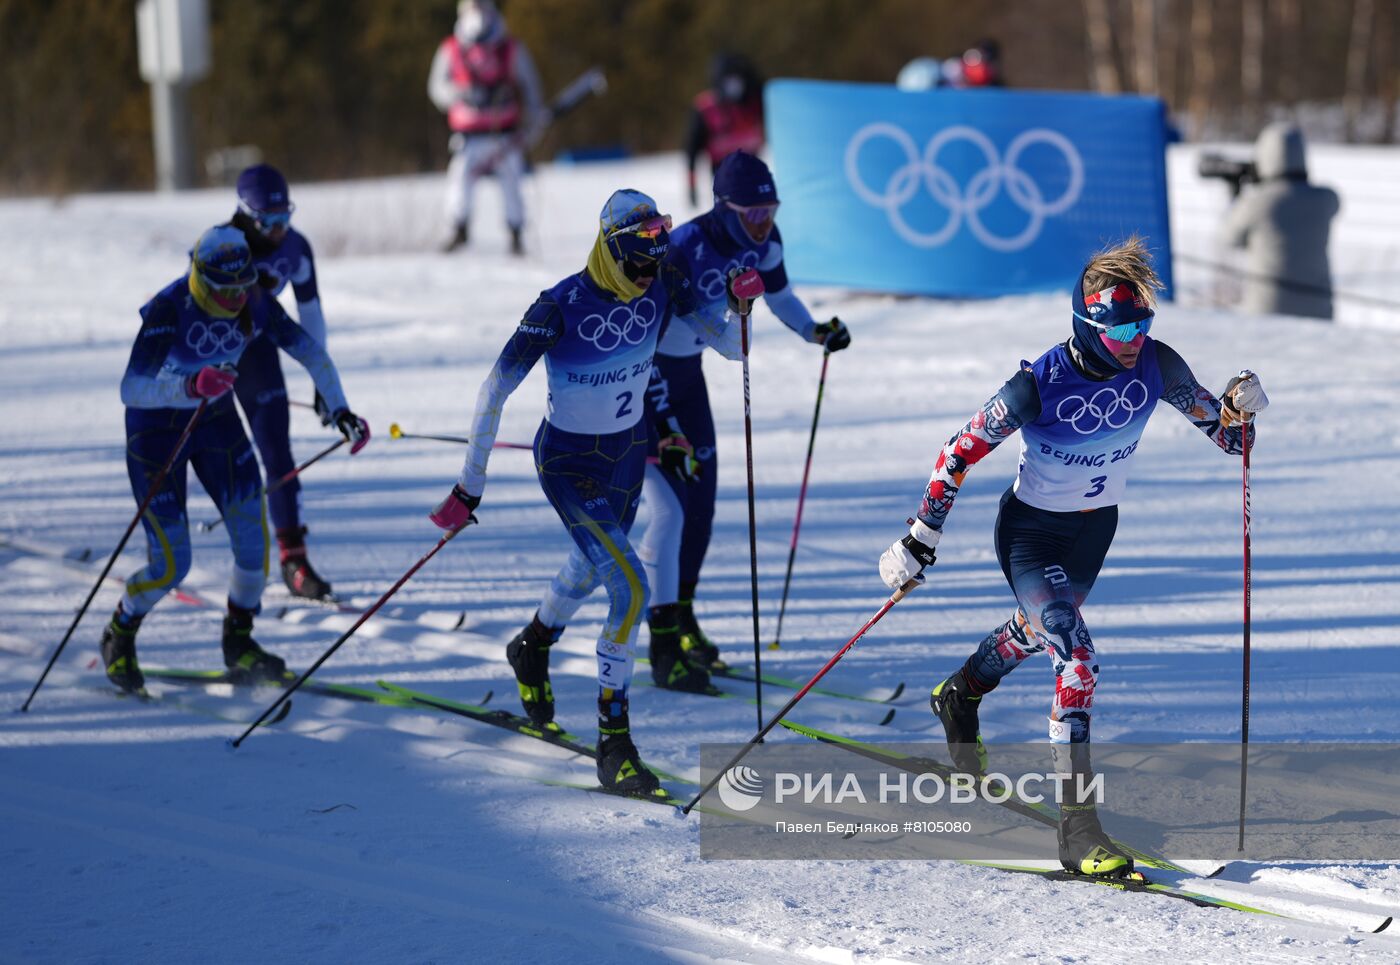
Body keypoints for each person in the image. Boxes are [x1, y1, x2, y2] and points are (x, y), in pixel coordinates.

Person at [877, 237, 1269, 877]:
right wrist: (921, 536)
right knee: (1077, 658)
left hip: (1094, 533)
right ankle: (1077, 829)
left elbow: (1230, 440)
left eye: (1143, 323)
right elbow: (958, 451)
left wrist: (1237, 408)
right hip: (1031, 533)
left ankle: (962, 692)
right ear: (1087, 323)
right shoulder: (1037, 385)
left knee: (1043, 633)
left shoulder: (1158, 366)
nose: (1134, 338)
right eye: (1120, 327)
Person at [428, 189, 755, 796]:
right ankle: (614, 743)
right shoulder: (560, 305)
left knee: (588, 565)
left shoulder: (662, 284)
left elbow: (734, 349)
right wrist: (468, 486)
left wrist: (738, 306)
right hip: (570, 464)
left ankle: (533, 644)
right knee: (629, 588)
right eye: (640, 258)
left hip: (627, 459)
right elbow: (492, 391)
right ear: (612, 251)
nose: (649, 271)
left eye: (658, 253)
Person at [102, 226, 370, 693]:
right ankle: (120, 632)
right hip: (156, 432)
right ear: (201, 280)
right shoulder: (169, 309)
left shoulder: (256, 301)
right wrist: (186, 386)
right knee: (171, 565)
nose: (235, 299)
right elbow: (131, 388)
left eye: (242, 287)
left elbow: (309, 351)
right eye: (225, 290)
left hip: (216, 421)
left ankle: (239, 642)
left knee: (253, 543)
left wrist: (340, 408)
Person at [639, 151, 851, 682]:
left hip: (689, 377)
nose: (763, 225)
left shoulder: (768, 244)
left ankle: (684, 616)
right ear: (723, 208)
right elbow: (648, 326)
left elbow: (780, 296)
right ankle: (661, 628)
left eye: (770, 212)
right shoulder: (685, 248)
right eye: (752, 215)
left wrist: (814, 331)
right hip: (653, 375)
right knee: (673, 507)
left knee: (703, 502)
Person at [229, 164, 336, 600]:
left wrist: (323, 383)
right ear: (245, 215)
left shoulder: (297, 247)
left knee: (278, 454)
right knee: (218, 458)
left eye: (285, 217)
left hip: (256, 354)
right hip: (207, 358)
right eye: (268, 222)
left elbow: (310, 313)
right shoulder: (222, 246)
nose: (278, 230)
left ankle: (293, 561)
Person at [428, 0, 545, 255]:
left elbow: (532, 90)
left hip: (505, 134)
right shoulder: (451, 49)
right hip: (467, 137)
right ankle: (459, 229)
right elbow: (436, 88)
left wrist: (532, 129)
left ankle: (516, 233)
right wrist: (460, 94)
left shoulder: (511, 49)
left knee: (512, 182)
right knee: (460, 180)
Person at [1221, 122, 1340, 320]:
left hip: (1267, 310)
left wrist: (1236, 194)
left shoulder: (1257, 202)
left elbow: (1229, 237)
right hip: (1319, 311)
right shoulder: (1326, 199)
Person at [684, 53, 764, 208]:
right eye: (729, 80)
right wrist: (692, 185)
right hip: (723, 179)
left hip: (755, 177)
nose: (734, 86)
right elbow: (691, 151)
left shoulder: (756, 103)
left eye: (737, 80)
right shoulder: (706, 109)